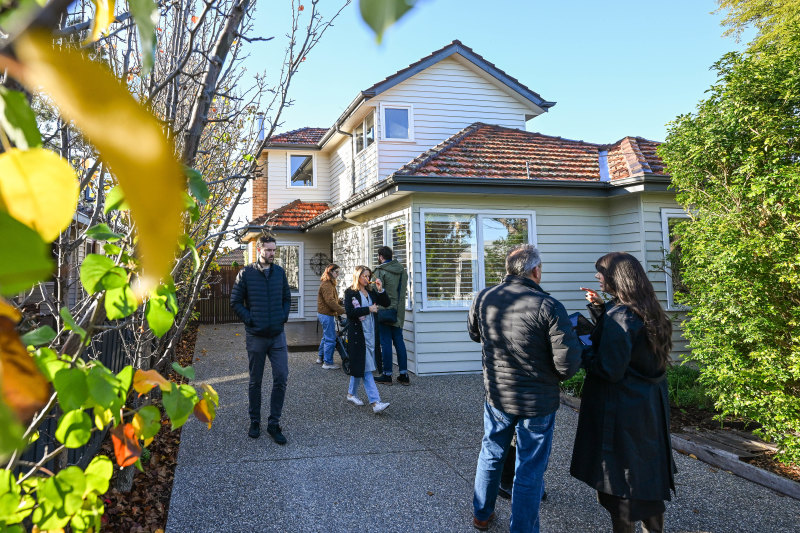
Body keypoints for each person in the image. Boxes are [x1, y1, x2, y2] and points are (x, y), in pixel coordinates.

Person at [468, 244, 582, 532]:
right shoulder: (548, 306)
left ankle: (482, 514)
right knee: (529, 467)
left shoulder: (484, 297)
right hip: (537, 401)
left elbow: (474, 333)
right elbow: (567, 365)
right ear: (536, 271)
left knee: (492, 452)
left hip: (498, 394)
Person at [571, 252, 676, 533]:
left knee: (621, 486)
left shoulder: (621, 317)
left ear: (617, 278)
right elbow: (630, 350)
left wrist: (582, 350)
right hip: (648, 410)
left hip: (621, 413)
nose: (597, 276)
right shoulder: (649, 310)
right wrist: (600, 310)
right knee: (647, 480)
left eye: (601, 272)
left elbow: (609, 369)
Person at [230, 236, 291, 444]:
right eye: (268, 250)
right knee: (255, 380)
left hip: (277, 336)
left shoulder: (280, 273)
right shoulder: (246, 273)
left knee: (281, 377)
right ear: (258, 250)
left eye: (274, 250)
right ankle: (254, 421)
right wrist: (250, 319)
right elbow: (235, 301)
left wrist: (282, 317)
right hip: (256, 336)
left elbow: (286, 298)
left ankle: (274, 423)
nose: (272, 254)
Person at [343, 266, 391, 414]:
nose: (367, 279)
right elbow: (350, 313)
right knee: (366, 368)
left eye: (368, 276)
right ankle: (375, 402)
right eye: (364, 276)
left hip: (370, 333)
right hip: (358, 335)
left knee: (360, 365)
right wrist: (368, 309)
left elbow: (386, 303)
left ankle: (351, 394)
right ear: (358, 276)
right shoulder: (350, 292)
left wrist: (381, 289)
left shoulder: (371, 292)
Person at [373, 246, 410, 386]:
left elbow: (373, 290)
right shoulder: (401, 270)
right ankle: (404, 375)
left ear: (381, 256)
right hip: (398, 312)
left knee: (386, 342)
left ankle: (387, 375)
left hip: (384, 311)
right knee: (399, 342)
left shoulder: (380, 271)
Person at [317, 263, 345, 369]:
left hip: (324, 314)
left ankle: (321, 357)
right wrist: (341, 310)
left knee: (326, 337)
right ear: (330, 272)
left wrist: (340, 301)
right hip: (326, 314)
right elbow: (330, 301)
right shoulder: (327, 284)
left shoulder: (330, 283)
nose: (338, 274)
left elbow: (332, 299)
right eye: (336, 272)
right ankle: (327, 363)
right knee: (330, 338)